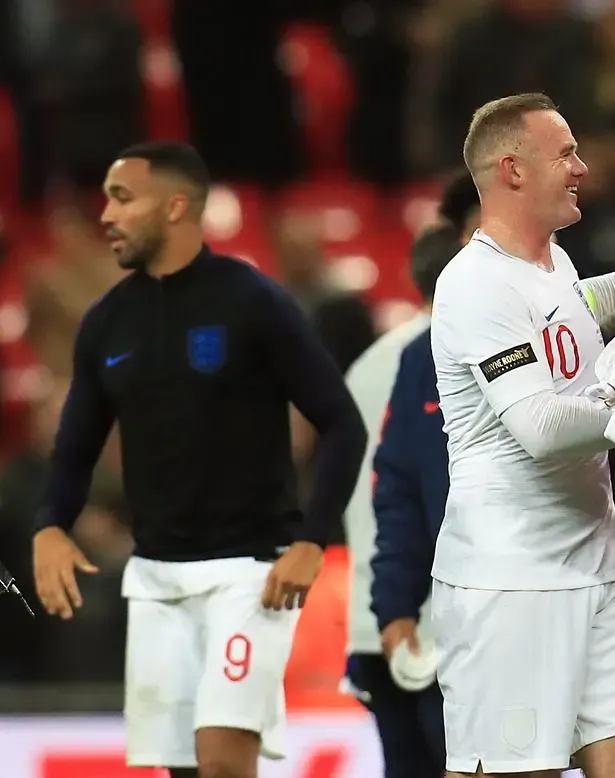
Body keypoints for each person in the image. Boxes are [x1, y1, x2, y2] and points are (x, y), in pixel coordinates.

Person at [31, 141, 367, 778]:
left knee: (221, 761)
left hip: (248, 573)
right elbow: (75, 444)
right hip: (156, 576)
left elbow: (342, 423)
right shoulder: (107, 323)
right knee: (181, 770)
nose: (106, 214)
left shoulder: (253, 302)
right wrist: (51, 522)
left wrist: (310, 541)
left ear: (177, 206)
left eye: (123, 198)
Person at [428, 92, 615, 778]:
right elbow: (539, 427)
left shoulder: (552, 267)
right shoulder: (474, 286)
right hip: (512, 580)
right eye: (565, 154)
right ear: (513, 171)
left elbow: (591, 303)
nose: (582, 167)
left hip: (598, 561)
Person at [344, 224, 460, 778]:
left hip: (377, 614)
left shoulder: (363, 368)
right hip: (438, 615)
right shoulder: (438, 357)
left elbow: (363, 493)